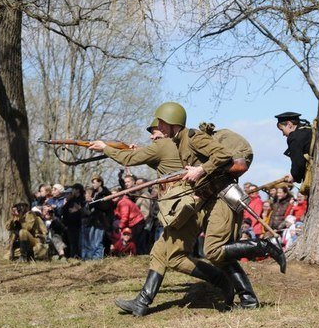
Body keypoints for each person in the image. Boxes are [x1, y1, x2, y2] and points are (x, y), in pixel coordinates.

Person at [89, 118, 233, 316]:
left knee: (175, 259)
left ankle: (223, 281)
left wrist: (105, 147)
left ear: (167, 129)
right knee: (158, 253)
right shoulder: (172, 145)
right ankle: (142, 302)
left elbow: (129, 160)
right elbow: (162, 165)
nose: (152, 136)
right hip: (181, 209)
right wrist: (135, 151)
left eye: (155, 131)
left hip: (184, 211)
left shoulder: (164, 144)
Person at [154, 102, 285, 309]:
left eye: (161, 124)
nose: (158, 128)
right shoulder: (180, 142)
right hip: (211, 198)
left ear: (172, 122)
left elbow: (222, 156)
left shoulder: (193, 137)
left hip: (223, 197)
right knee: (222, 254)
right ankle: (248, 300)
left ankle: (266, 246)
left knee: (213, 250)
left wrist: (200, 170)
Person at [274, 112, 313, 191]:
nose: (283, 134)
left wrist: (294, 175)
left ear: (289, 124)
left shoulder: (294, 137)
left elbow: (298, 161)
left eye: (282, 130)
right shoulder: (309, 130)